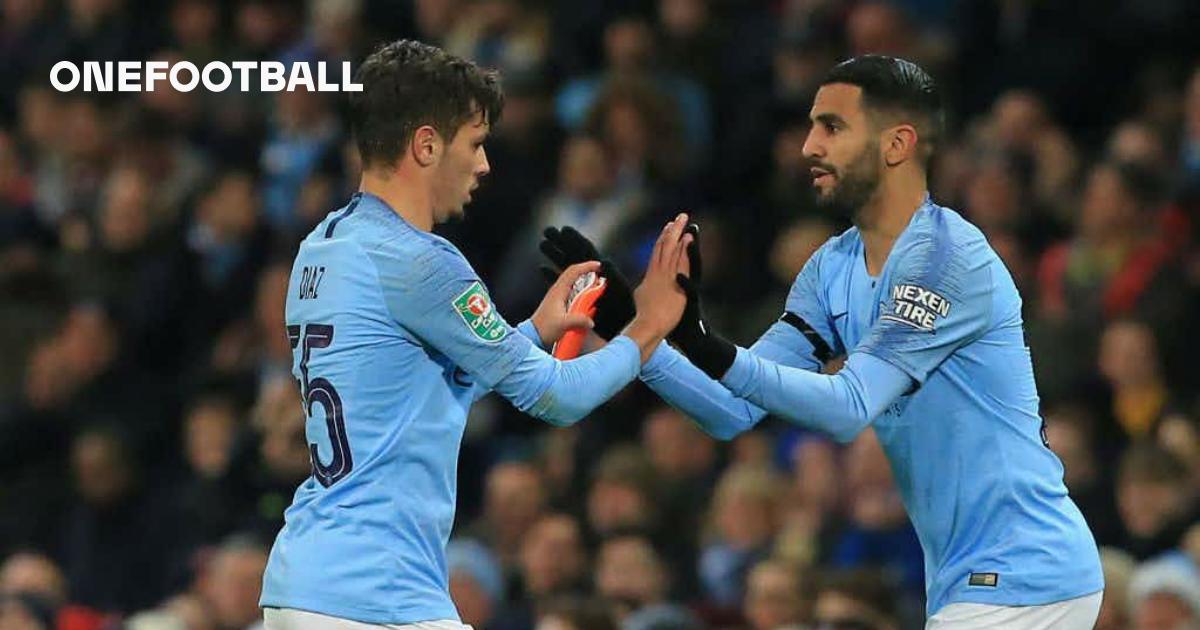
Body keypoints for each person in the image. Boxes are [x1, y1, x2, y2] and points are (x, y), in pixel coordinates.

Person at [541, 55, 1103, 627]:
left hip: (1026, 571)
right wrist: (639, 337)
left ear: (896, 144)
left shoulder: (944, 260)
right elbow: (732, 410)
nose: (809, 146)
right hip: (970, 578)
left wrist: (709, 346)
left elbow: (848, 408)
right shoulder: (832, 267)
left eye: (832, 127)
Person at [259, 40, 692, 628]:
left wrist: (533, 331)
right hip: (374, 594)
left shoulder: (322, 246)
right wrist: (648, 326)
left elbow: (408, 399)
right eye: (476, 143)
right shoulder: (422, 261)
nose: (485, 165)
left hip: (306, 579)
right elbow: (556, 397)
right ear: (427, 145)